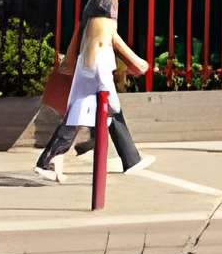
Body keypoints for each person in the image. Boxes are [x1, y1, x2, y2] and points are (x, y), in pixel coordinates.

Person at [35, 11, 152, 181]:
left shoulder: (88, 42)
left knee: (81, 126)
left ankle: (127, 158)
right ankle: (47, 163)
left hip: (84, 95)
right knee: (71, 128)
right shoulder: (101, 45)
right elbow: (103, 76)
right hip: (89, 96)